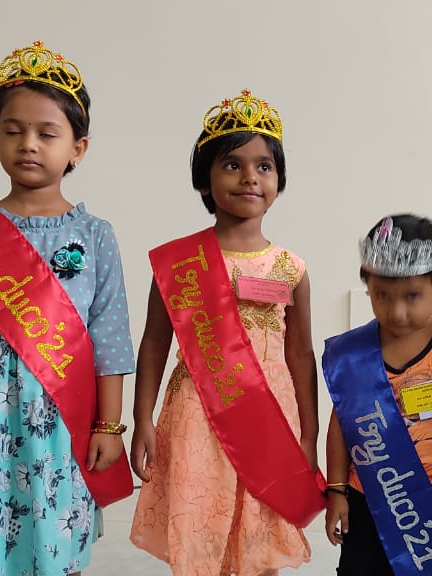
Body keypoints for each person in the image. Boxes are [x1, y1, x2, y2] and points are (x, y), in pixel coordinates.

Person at [0, 40, 135, 575]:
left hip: (62, 412)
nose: (29, 144)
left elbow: (110, 338)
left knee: (55, 530)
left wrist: (110, 425)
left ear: (78, 148)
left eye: (47, 133)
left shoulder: (95, 235)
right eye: (13, 131)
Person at [130, 88, 325, 575]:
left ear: (279, 180)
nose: (249, 177)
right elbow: (154, 342)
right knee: (201, 525)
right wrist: (142, 418)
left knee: (260, 529)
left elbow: (301, 355)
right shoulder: (178, 263)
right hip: (197, 413)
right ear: (204, 179)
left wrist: (309, 434)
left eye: (264, 166)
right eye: (232, 165)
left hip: (269, 414)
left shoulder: (291, 268)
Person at [322, 214, 432, 576]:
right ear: (368, 286)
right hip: (366, 499)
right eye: (382, 295)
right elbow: (340, 424)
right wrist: (336, 490)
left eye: (412, 296)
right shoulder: (352, 354)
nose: (396, 312)